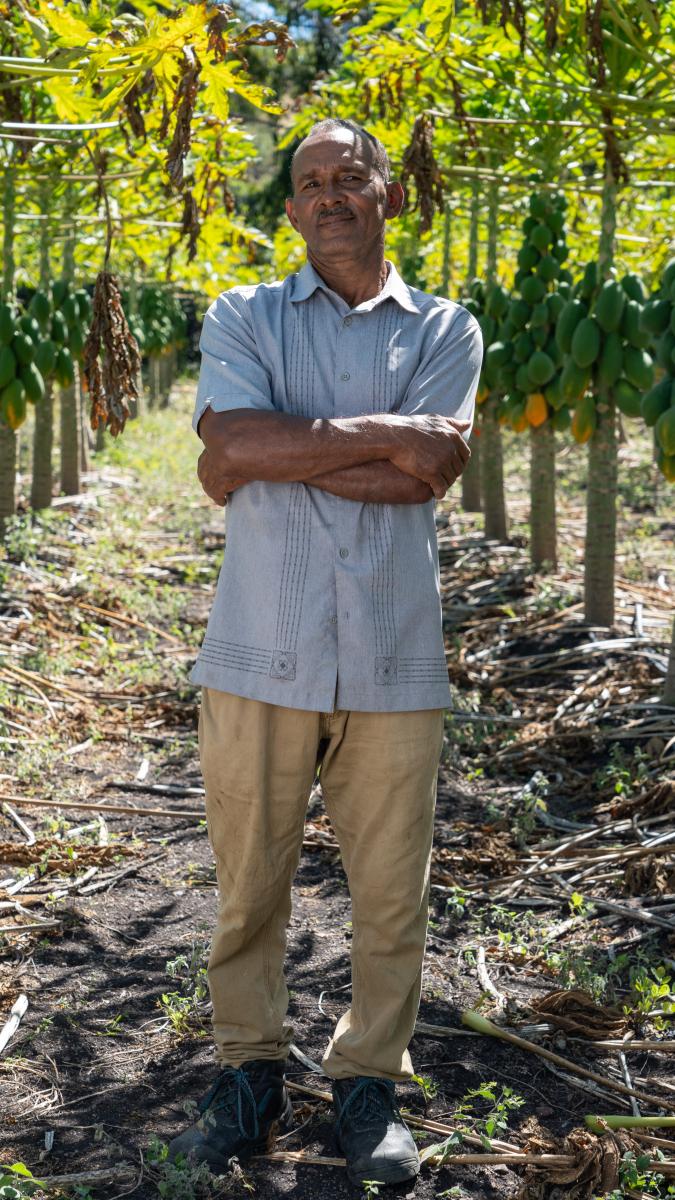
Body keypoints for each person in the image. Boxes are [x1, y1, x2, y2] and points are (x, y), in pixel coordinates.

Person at [168, 117, 482, 1188]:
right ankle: (248, 1074)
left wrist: (278, 448)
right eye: (312, 182)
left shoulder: (449, 325)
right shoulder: (243, 314)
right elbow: (231, 444)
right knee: (249, 887)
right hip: (261, 649)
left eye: (354, 176)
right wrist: (381, 433)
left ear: (392, 193)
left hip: (395, 656)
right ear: (292, 209)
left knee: (393, 891)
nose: (333, 193)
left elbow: (425, 474)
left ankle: (365, 1084)